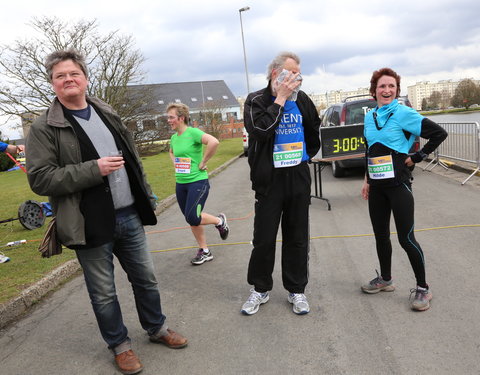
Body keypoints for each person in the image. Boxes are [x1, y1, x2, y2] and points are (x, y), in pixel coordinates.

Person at [26, 49, 187, 375]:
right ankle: (120, 346)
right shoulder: (44, 127)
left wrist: (145, 191)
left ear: (85, 78)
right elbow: (40, 179)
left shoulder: (104, 110)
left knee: (146, 280)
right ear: (53, 84)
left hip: (128, 214)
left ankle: (156, 329)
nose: (68, 79)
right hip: (88, 222)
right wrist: (92, 169)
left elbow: (130, 156)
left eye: (74, 73)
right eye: (60, 76)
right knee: (103, 293)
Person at [360, 67, 447, 311]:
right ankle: (385, 280)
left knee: (406, 238)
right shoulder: (369, 117)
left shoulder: (403, 113)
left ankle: (423, 289)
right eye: (382, 86)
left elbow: (439, 133)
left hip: (399, 186)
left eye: (391, 86)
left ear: (397, 90)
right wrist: (366, 179)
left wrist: (417, 157)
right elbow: (369, 151)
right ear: (374, 91)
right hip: (377, 189)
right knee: (380, 236)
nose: (386, 90)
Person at [242, 51, 320, 315]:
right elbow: (260, 131)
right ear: (276, 73)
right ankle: (260, 289)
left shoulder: (304, 100)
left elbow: (313, 130)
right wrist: (280, 99)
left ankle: (296, 290)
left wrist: (304, 156)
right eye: (290, 74)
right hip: (269, 180)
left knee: (297, 237)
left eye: (298, 75)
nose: (295, 80)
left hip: (297, 176)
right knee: (263, 238)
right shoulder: (256, 100)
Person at [167, 102, 229, 265]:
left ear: (180, 118)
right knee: (191, 218)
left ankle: (219, 221)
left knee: (192, 216)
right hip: (181, 183)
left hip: (197, 182)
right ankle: (205, 251)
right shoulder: (174, 137)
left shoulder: (193, 133)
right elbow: (171, 152)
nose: (168, 120)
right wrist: (175, 163)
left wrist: (203, 161)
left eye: (171, 117)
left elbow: (214, 142)